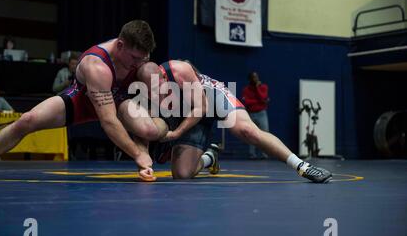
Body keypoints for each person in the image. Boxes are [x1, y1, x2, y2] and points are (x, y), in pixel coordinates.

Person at [0, 20, 168, 182]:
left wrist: (144, 152)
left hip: (120, 100)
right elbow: (108, 122)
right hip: (82, 101)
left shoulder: (140, 59)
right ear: (120, 45)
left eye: (144, 57)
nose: (138, 62)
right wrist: (137, 155)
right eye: (134, 58)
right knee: (27, 120)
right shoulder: (97, 66)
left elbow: (142, 90)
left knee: (148, 129)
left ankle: (168, 128)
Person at [137, 60, 332, 183]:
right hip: (191, 115)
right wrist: (146, 161)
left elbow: (202, 107)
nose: (157, 93)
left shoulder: (179, 69)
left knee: (248, 131)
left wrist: (177, 133)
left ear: (163, 75)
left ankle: (301, 166)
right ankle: (209, 157)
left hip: (210, 99)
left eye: (159, 87)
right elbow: (148, 128)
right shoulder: (148, 94)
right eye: (151, 90)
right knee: (182, 175)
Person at [242, 72, 269, 159]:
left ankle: (264, 154)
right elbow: (247, 102)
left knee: (265, 133)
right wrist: (260, 102)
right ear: (250, 79)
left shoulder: (263, 87)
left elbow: (263, 97)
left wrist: (257, 88)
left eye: (256, 77)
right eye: (254, 77)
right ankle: (252, 154)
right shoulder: (246, 89)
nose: (256, 78)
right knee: (251, 134)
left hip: (262, 113)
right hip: (250, 114)